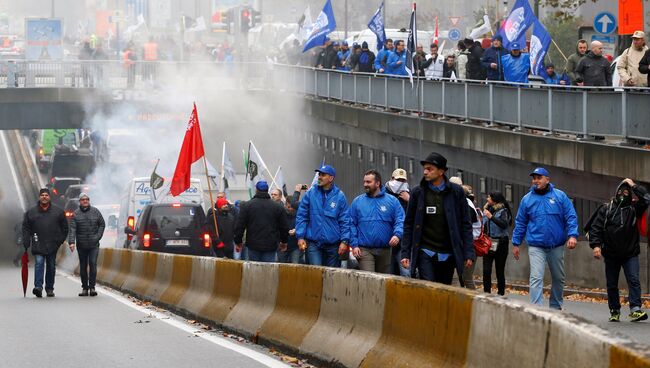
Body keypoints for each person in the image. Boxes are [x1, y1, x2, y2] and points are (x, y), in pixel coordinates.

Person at [400, 152, 475, 285]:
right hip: (425, 251)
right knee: (428, 287)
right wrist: (405, 253)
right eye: (425, 169)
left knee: (443, 289)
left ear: (441, 171)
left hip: (448, 253)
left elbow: (465, 224)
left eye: (430, 169)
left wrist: (468, 252)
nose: (425, 172)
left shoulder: (456, 192)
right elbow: (409, 224)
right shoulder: (418, 193)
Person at [511, 167, 579, 310]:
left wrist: (572, 235)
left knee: (559, 278)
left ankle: (555, 307)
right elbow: (520, 222)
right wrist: (516, 243)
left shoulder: (560, 196)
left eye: (539, 178)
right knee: (536, 277)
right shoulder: (527, 199)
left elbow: (571, 216)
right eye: (534, 178)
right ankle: (537, 309)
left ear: (547, 180)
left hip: (556, 245)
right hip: (536, 245)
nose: (535, 181)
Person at [589, 179, 649, 322]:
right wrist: (596, 246)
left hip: (630, 253)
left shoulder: (635, 208)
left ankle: (635, 309)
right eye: (621, 192)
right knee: (612, 284)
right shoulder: (606, 208)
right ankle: (614, 310)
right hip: (610, 253)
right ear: (616, 193)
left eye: (627, 192)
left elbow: (647, 198)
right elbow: (595, 228)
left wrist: (634, 185)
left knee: (634, 280)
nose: (623, 194)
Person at [296, 164, 351, 268]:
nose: (319, 177)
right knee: (316, 273)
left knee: (332, 277)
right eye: (319, 174)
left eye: (323, 175)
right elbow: (302, 216)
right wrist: (300, 237)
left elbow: (345, 220)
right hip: (314, 243)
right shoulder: (310, 193)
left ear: (331, 178)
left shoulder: (340, 196)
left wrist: (344, 241)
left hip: (333, 245)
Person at [349, 170, 404, 274]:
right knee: (369, 279)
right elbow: (351, 224)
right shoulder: (357, 202)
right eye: (364, 182)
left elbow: (400, 219)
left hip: (385, 250)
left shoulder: (392, 201)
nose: (365, 184)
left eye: (368, 182)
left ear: (377, 183)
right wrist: (354, 245)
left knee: (382, 281)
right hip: (364, 250)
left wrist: (397, 235)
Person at [22, 188, 68, 298]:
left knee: (51, 266)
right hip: (38, 243)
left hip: (53, 244)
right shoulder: (31, 212)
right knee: (39, 263)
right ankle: (38, 287)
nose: (44, 197)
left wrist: (59, 241)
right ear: (39, 197)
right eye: (42, 195)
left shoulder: (58, 212)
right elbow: (26, 228)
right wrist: (26, 240)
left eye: (46, 195)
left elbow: (65, 228)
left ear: (49, 197)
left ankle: (49, 288)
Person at [234, 181, 289, 262]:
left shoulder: (247, 206)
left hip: (253, 245)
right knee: (268, 271)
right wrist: (284, 241)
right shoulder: (278, 207)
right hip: (270, 245)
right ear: (267, 191)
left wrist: (238, 241)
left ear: (256, 190)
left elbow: (240, 226)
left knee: (254, 271)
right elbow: (284, 227)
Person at [67, 193, 105, 297]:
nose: (85, 201)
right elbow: (72, 229)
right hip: (81, 245)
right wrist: (71, 242)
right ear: (80, 201)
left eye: (87, 199)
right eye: (83, 199)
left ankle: (92, 287)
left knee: (92, 264)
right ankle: (85, 288)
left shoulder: (95, 211)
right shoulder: (76, 214)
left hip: (94, 244)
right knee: (83, 266)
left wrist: (97, 236)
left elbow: (102, 224)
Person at [449, 176, 479, 290]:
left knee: (465, 278)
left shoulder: (466, 204)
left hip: (468, 246)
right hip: (461, 245)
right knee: (459, 279)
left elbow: (465, 229)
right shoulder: (460, 201)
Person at [482, 192, 512, 296]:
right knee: (486, 270)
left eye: (489, 197)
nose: (487, 198)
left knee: (499, 270)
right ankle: (487, 294)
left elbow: (504, 225)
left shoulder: (504, 211)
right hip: (488, 242)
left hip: (501, 243)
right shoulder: (487, 209)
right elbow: (484, 225)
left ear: (495, 199)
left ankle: (501, 294)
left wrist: (491, 217)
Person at [384, 168, 410, 276]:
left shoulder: (409, 194)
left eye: (403, 180)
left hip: (402, 242)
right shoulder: (383, 194)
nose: (401, 183)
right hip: (387, 241)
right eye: (398, 180)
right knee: (388, 272)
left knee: (405, 272)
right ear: (392, 179)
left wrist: (410, 200)